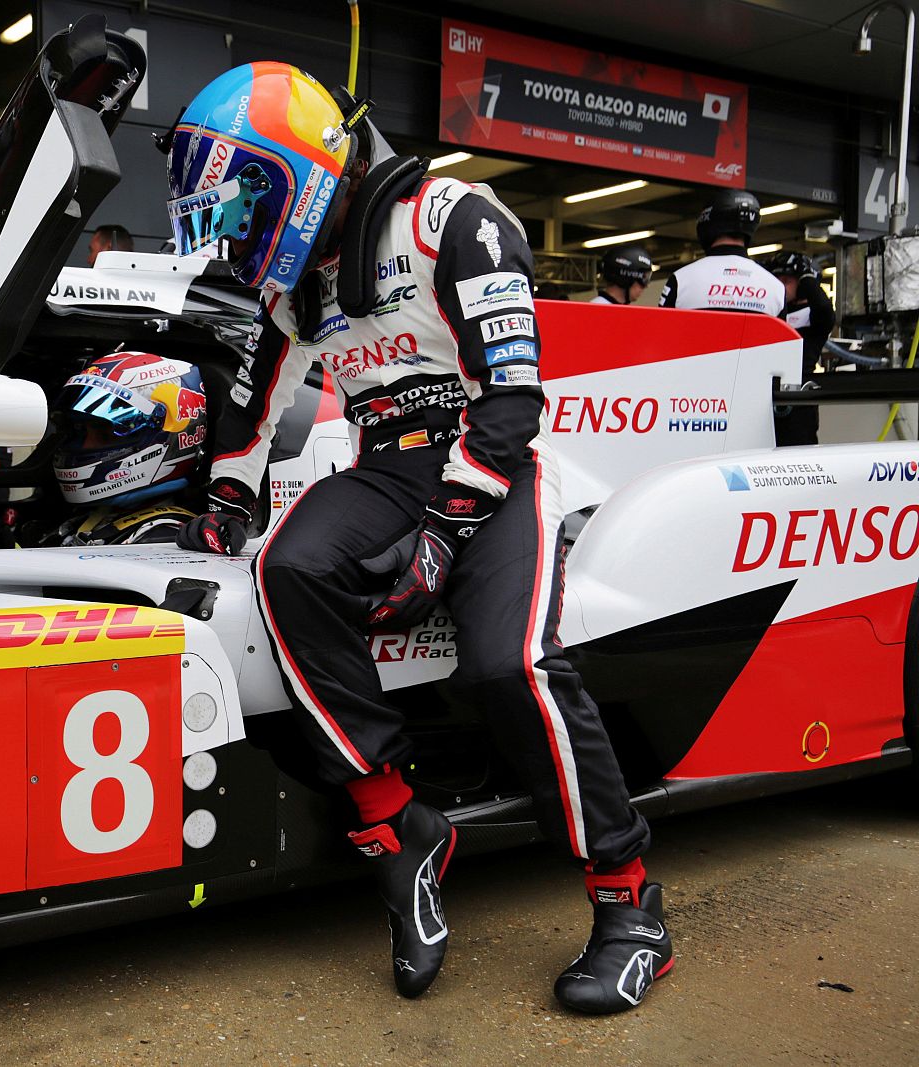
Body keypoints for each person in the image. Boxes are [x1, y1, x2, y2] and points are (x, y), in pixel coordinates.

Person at [163, 62, 669, 1013]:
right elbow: (250, 405)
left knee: (508, 665)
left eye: (247, 201)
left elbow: (515, 401)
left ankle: (629, 902)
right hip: (388, 467)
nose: (239, 230)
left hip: (497, 459)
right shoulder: (293, 284)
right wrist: (227, 498)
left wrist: (449, 527)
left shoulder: (455, 220)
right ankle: (399, 828)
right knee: (287, 566)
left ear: (306, 171)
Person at [37, 350, 208, 546]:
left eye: (105, 433)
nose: (85, 445)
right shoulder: (93, 518)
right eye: (79, 432)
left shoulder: (163, 539)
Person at [658, 190, 783, 315]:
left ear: (706, 222)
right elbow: (787, 334)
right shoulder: (776, 288)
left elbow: (660, 330)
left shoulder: (681, 280)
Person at [765, 251, 835, 445]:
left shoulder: (814, 315)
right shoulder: (772, 312)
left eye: (786, 281)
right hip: (765, 399)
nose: (780, 286)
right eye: (776, 281)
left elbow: (825, 310)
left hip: (799, 402)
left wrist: (807, 279)